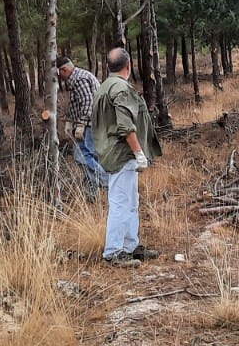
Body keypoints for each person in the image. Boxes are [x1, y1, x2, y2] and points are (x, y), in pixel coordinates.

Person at [90, 47, 162, 267]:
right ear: (129, 66)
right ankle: (113, 253)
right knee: (121, 202)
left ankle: (131, 247)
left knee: (130, 201)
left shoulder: (104, 86)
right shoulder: (121, 89)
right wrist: (139, 153)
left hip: (112, 152)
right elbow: (125, 126)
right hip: (122, 154)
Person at [56, 56, 109, 194]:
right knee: (92, 156)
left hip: (90, 124)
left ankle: (107, 183)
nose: (59, 78)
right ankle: (92, 191)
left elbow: (87, 102)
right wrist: (69, 121)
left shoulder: (79, 79)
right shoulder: (78, 77)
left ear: (65, 70)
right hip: (92, 123)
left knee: (81, 156)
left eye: (59, 73)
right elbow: (76, 104)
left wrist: (81, 124)